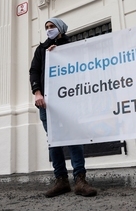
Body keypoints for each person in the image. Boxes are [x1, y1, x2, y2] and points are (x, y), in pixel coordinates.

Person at [29, 17, 98, 198]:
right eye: (47, 27)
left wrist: (60, 53)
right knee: (54, 140)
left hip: (69, 100)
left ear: (61, 29)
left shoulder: (72, 47)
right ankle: (61, 180)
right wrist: (37, 92)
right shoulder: (41, 49)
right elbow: (34, 71)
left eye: (52, 27)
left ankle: (80, 180)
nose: (49, 30)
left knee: (74, 137)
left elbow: (81, 69)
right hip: (47, 103)